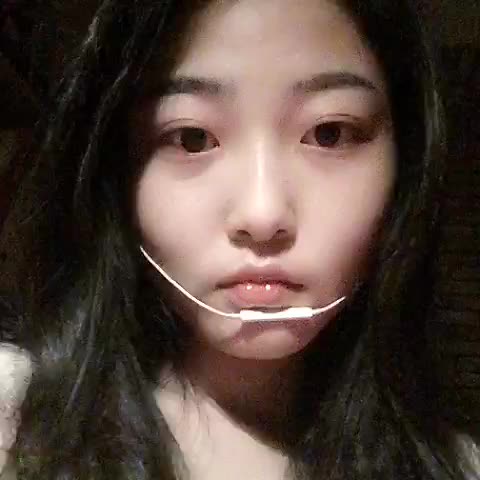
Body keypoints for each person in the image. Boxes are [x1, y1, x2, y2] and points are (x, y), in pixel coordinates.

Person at [0, 0, 478, 478]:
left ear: (406, 169)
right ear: (116, 177)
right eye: (191, 138)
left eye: (329, 134)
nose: (262, 216)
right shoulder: (15, 423)